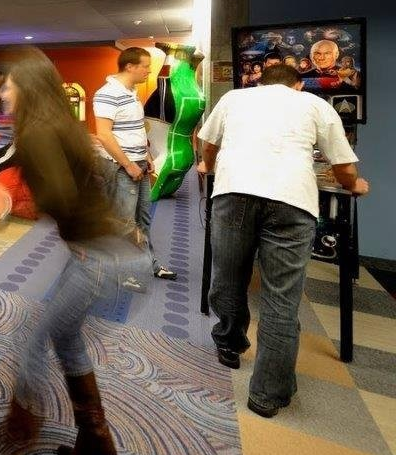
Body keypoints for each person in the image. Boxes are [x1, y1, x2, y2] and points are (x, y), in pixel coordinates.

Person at [0, 50, 142, 455]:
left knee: (34, 341)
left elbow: (59, 196)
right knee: (67, 338)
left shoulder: (37, 132)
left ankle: (20, 426)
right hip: (111, 255)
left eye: (8, 85)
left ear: (27, 87)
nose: (3, 93)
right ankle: (94, 437)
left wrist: (5, 204)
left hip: (96, 259)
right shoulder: (62, 126)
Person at [197, 64, 368, 419]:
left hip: (233, 195)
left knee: (228, 277)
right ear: (298, 85)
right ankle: (266, 394)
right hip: (292, 202)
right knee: (281, 299)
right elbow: (343, 165)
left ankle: (229, 344)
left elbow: (207, 143)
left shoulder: (234, 98)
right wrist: (354, 185)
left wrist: (207, 166)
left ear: (260, 82)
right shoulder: (315, 104)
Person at [93, 47, 176, 289]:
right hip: (122, 167)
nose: (149, 71)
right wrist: (128, 164)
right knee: (125, 222)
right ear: (130, 66)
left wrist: (146, 155)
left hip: (138, 163)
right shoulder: (107, 94)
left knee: (143, 219)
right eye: (145, 66)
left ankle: (148, 264)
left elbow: (138, 127)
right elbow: (104, 135)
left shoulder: (132, 92)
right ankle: (123, 273)